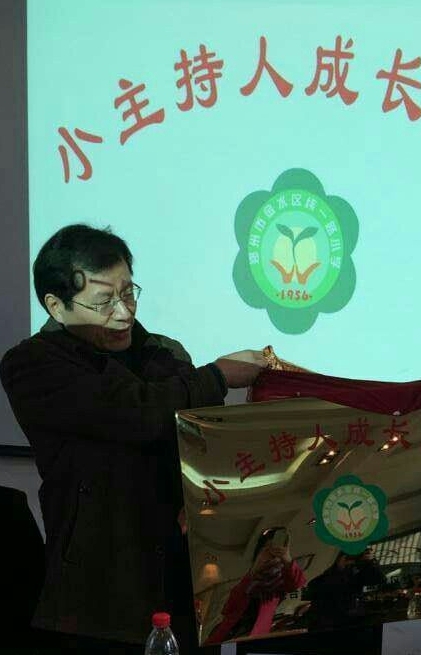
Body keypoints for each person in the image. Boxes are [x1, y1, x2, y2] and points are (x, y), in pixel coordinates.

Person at [0, 224, 269, 654]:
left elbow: (196, 437)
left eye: (128, 293)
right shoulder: (32, 364)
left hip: (183, 584)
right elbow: (135, 412)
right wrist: (218, 376)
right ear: (56, 306)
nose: (124, 312)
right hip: (100, 595)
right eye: (104, 301)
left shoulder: (164, 352)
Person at [204, 527, 307, 643]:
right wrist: (253, 571)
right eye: (267, 549)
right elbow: (228, 609)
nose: (272, 553)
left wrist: (287, 559)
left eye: (276, 548)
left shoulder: (280, 580)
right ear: (259, 552)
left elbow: (297, 585)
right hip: (227, 634)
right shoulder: (249, 577)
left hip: (253, 634)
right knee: (226, 651)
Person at [302, 548, 387, 630]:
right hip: (326, 621)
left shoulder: (356, 577)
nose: (349, 562)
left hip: (348, 619)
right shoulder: (329, 576)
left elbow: (380, 579)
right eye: (348, 558)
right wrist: (338, 570)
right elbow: (312, 587)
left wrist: (371, 561)